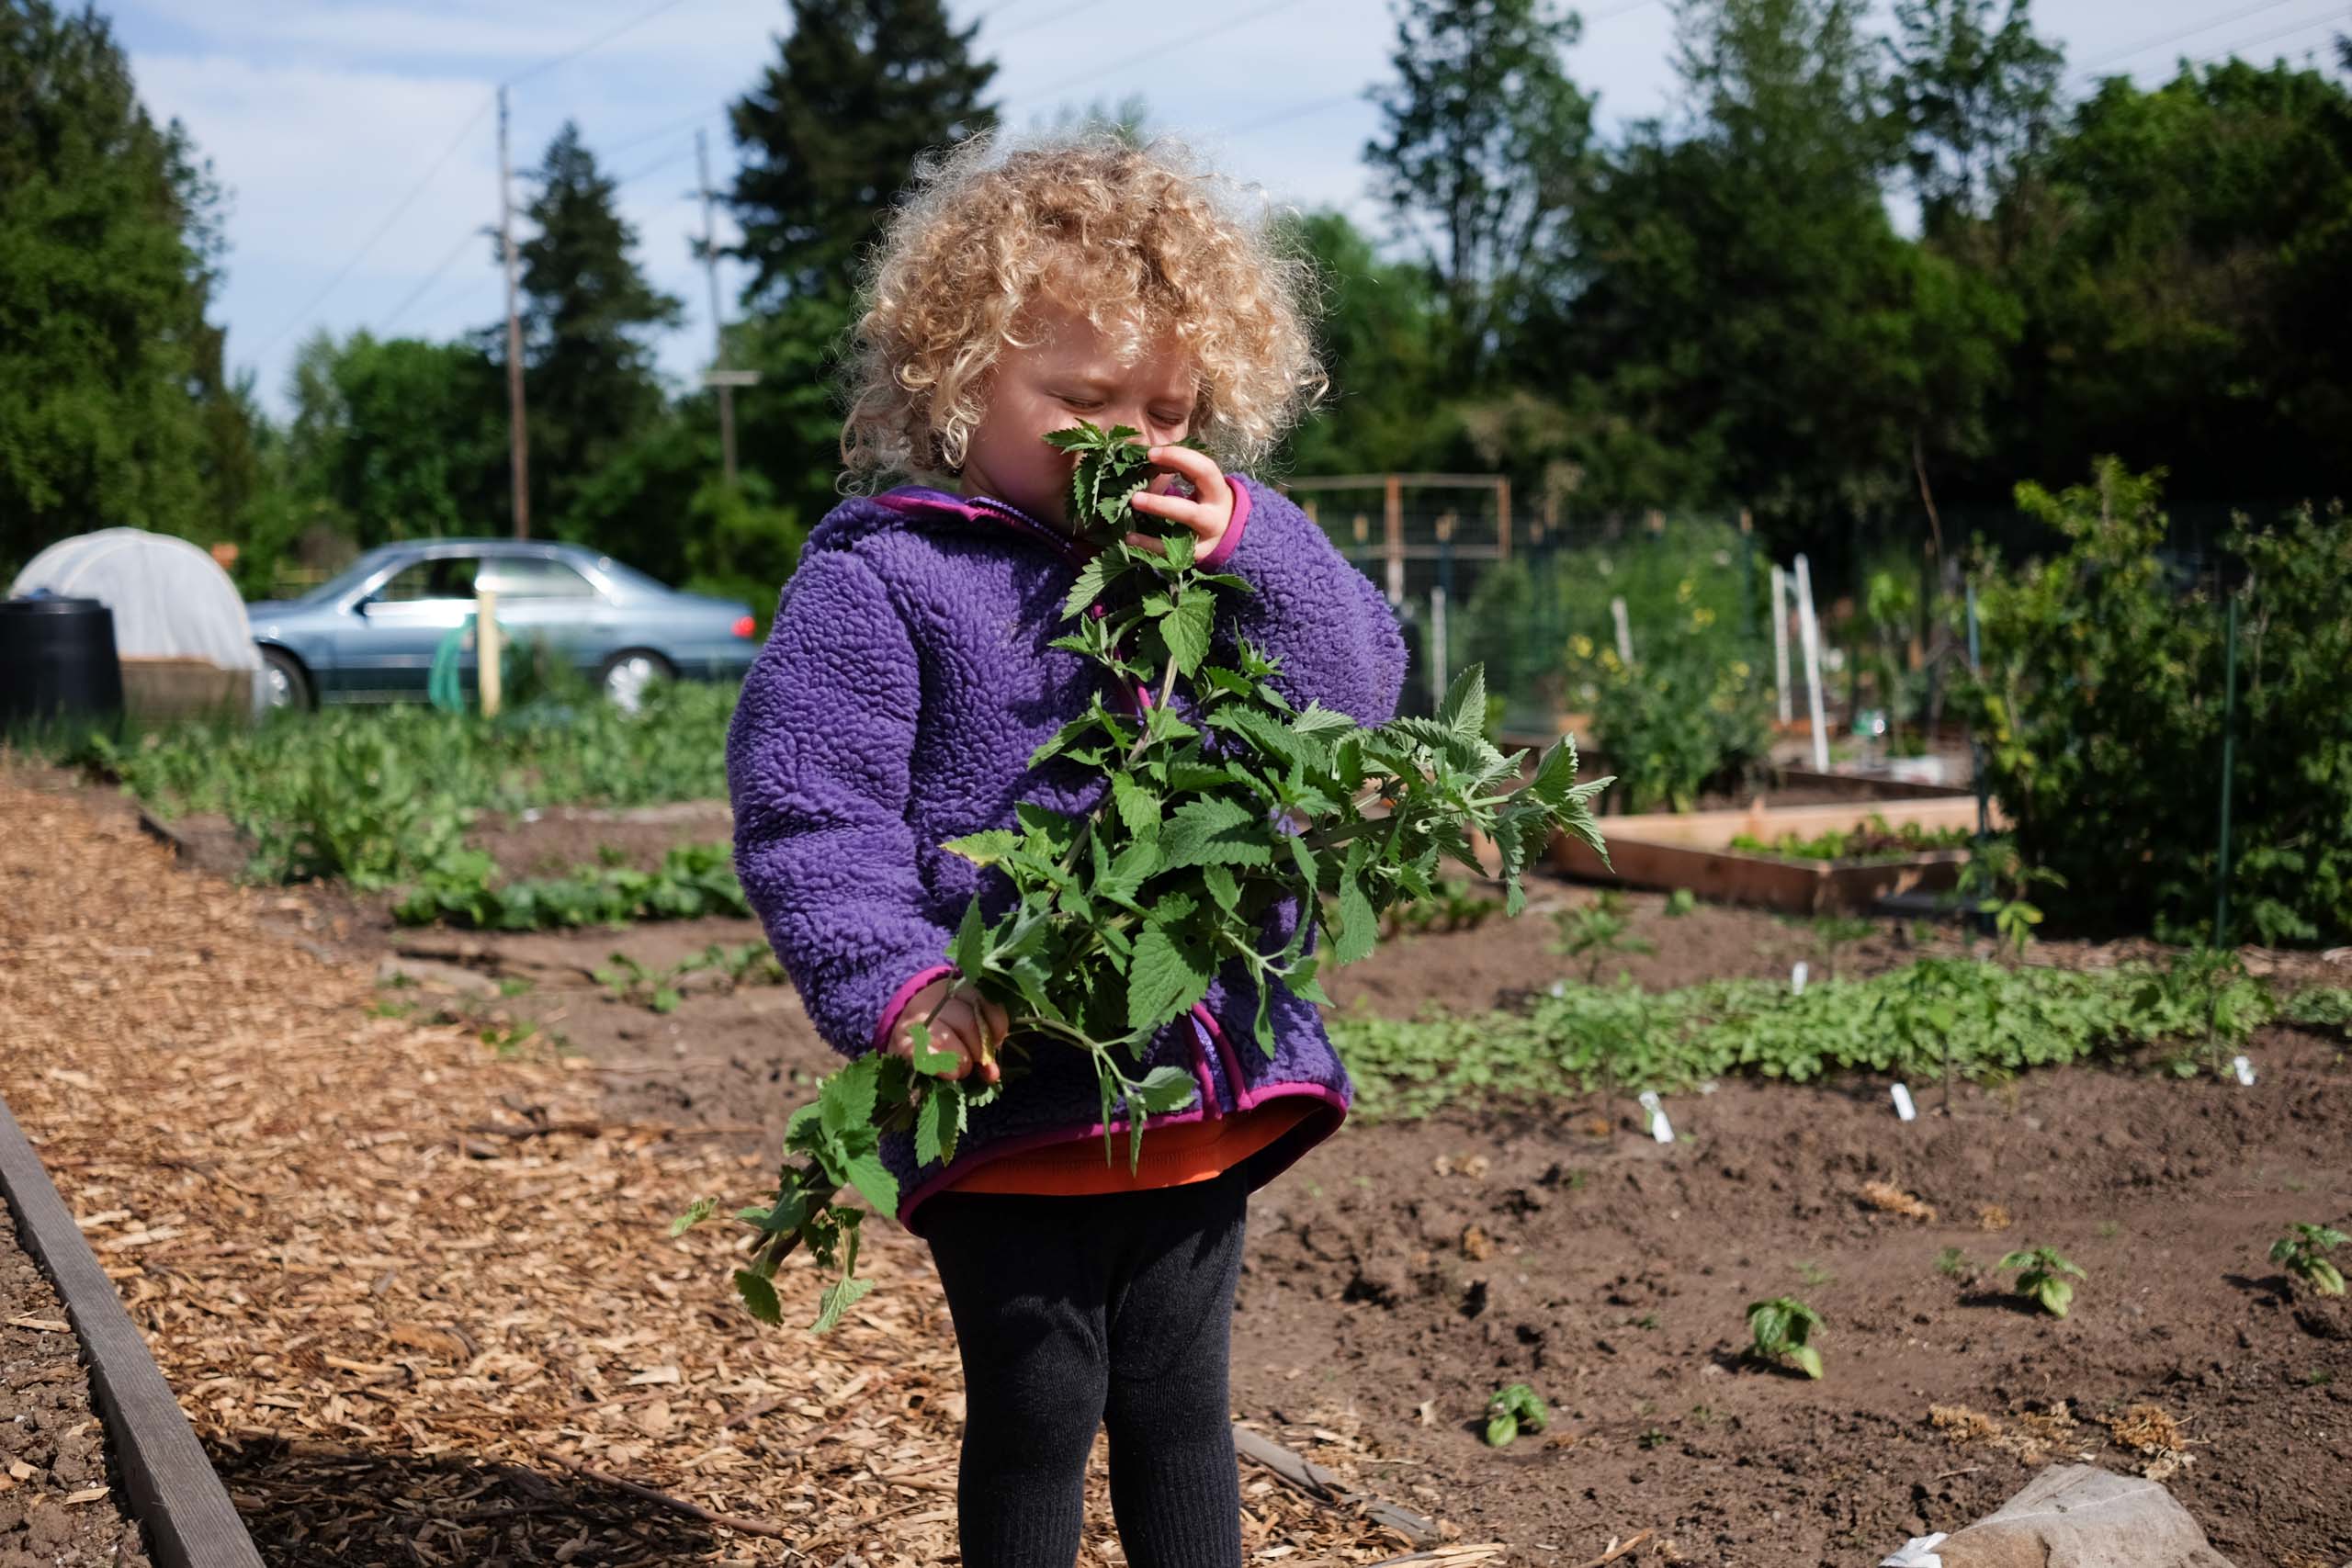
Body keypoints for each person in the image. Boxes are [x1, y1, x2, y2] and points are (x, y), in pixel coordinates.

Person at [726, 132, 1406, 1568]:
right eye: (1082, 399)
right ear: (957, 383)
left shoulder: (1204, 556)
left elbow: (1362, 687)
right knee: (1038, 1406)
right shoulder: (881, 586)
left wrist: (1257, 544)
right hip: (1012, 1084)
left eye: (1171, 410)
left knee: (1180, 1408)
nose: (1132, 443)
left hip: (1193, 1067)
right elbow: (813, 814)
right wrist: (905, 990)